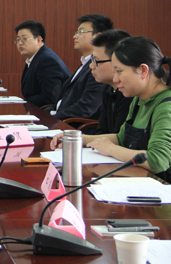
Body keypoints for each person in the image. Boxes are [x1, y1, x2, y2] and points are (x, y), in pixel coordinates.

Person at [51, 36, 171, 181]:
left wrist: (111, 149)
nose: (115, 79)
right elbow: (121, 138)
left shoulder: (166, 105)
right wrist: (81, 139)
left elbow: (157, 161)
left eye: (119, 71)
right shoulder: (139, 99)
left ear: (143, 70)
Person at [48, 14, 112, 119]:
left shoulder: (99, 68)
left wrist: (52, 120)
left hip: (73, 125)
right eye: (76, 32)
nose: (75, 36)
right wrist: (41, 116)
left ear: (98, 36)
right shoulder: (85, 63)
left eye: (81, 32)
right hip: (61, 119)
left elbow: (85, 108)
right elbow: (61, 103)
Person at [14, 21, 71, 107]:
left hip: (51, 113)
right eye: (18, 39)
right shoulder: (35, 59)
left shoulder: (47, 60)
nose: (20, 43)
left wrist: (24, 103)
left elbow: (50, 97)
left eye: (24, 39)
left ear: (38, 40)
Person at [87, 30, 133, 135]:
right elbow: (102, 130)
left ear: (116, 61)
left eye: (96, 61)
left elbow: (119, 138)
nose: (91, 66)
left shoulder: (129, 94)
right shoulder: (108, 89)